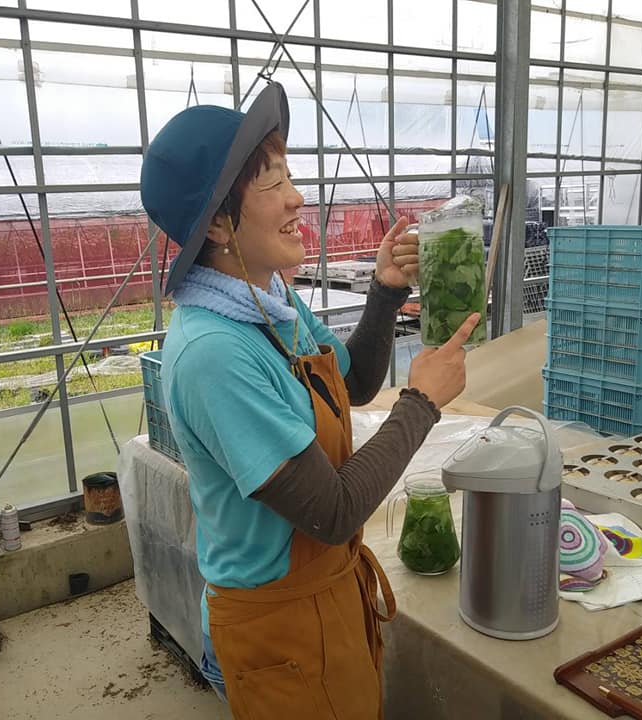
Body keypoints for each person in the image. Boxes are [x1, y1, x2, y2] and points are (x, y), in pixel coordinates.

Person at [140, 82, 480, 719]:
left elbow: (349, 384)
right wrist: (420, 404)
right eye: (271, 183)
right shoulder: (214, 352)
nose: (297, 197)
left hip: (327, 597)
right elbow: (330, 511)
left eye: (289, 175)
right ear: (217, 223)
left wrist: (385, 291)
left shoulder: (269, 297)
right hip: (277, 630)